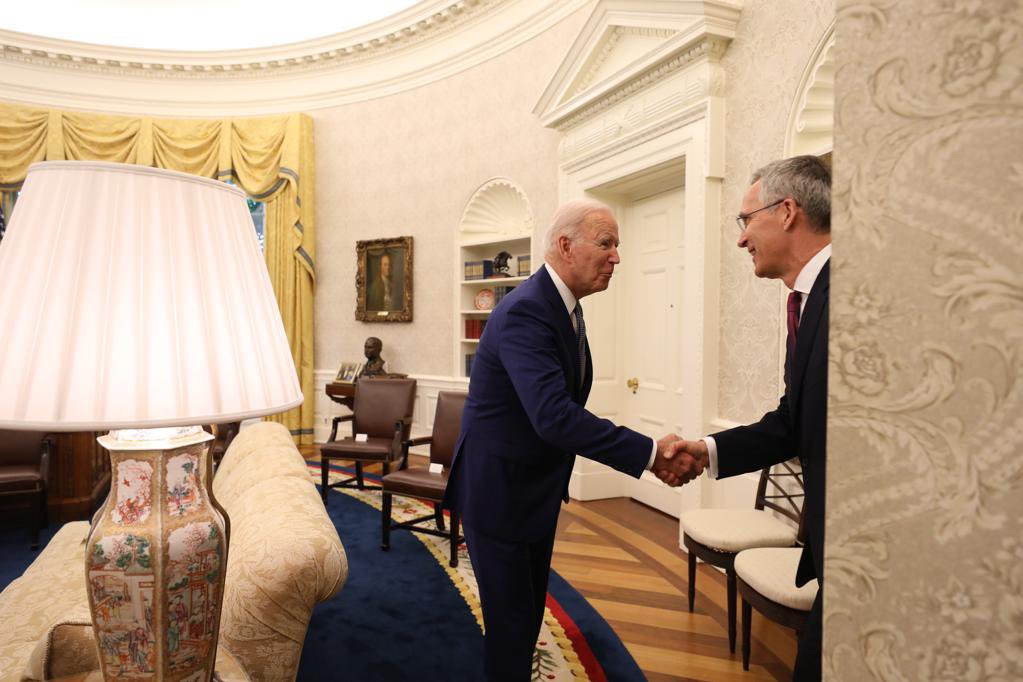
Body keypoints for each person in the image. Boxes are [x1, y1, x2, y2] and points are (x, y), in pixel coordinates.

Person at [443, 198, 702, 681]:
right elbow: (555, 417)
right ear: (565, 245)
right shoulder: (528, 311)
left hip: (529, 494)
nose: (617, 257)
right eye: (607, 244)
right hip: (500, 496)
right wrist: (651, 454)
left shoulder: (564, 308)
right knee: (511, 626)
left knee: (524, 616)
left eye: (617, 245)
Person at [675, 155, 831, 681]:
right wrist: (708, 450)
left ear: (787, 211)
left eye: (746, 220)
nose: (741, 240)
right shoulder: (808, 300)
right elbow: (792, 421)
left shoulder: (845, 294)